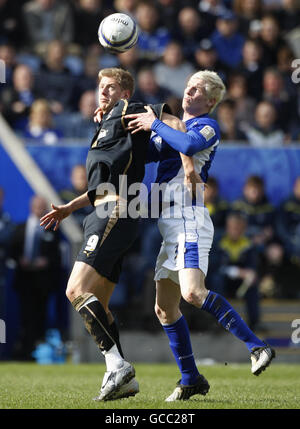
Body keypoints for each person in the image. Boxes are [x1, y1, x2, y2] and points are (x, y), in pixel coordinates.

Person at [125, 70, 275, 401]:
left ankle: (257, 346)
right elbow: (144, 151)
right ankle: (191, 378)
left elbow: (188, 145)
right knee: (164, 309)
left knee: (193, 293)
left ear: (210, 100)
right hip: (168, 222)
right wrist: (116, 122)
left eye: (198, 89)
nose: (189, 91)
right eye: (188, 85)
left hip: (189, 217)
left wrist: (156, 124)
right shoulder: (169, 128)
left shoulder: (206, 126)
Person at [39, 67, 183, 401]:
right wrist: (67, 209)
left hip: (116, 210)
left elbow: (169, 117)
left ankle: (117, 364)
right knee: (99, 305)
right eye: (100, 86)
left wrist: (185, 141)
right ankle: (121, 377)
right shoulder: (107, 127)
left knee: (74, 290)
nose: (103, 91)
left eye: (111, 87)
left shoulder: (128, 110)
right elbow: (98, 188)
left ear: (124, 93)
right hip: (101, 210)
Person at [10, 195, 61, 360]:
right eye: (37, 206)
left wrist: (45, 261)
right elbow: (12, 251)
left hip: (43, 281)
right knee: (26, 316)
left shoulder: (52, 229)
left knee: (41, 316)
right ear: (32, 207)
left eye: (42, 206)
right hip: (24, 280)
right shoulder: (20, 228)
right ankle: (24, 350)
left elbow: (57, 255)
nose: (39, 208)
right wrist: (20, 260)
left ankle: (39, 352)